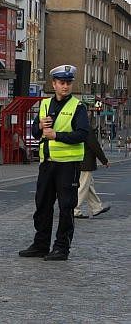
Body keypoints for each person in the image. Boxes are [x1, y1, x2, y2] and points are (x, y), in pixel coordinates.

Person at [19, 65, 89, 261]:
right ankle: (41, 244)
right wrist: (40, 126)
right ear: (54, 84)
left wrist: (57, 135)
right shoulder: (44, 105)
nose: (65, 86)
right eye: (62, 83)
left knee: (66, 207)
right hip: (47, 163)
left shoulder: (78, 107)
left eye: (68, 83)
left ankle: (61, 247)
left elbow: (83, 134)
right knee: (42, 205)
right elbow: (35, 132)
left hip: (68, 164)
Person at [74, 111, 111, 218]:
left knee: (88, 185)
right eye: (88, 111)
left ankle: (96, 208)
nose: (90, 113)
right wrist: (104, 160)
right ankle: (74, 209)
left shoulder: (75, 125)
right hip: (85, 162)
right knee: (82, 187)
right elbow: (94, 145)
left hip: (78, 160)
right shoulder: (86, 127)